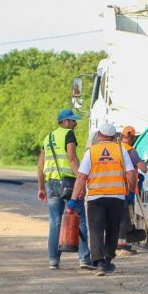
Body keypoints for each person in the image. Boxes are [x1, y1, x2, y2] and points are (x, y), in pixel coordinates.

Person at [70, 122, 137, 276]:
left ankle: (99, 263)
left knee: (95, 230)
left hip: (96, 198)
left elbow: (81, 177)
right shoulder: (121, 151)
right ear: (114, 137)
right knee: (113, 229)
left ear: (99, 136)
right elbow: (132, 174)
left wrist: (74, 199)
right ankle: (108, 259)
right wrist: (131, 193)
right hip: (117, 197)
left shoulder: (91, 152)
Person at [37, 109, 92, 270]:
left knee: (55, 222)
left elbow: (40, 165)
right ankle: (84, 259)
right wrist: (81, 180)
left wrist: (41, 187)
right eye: (73, 121)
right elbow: (72, 158)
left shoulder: (48, 138)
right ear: (66, 121)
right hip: (68, 182)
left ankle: (53, 261)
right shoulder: (68, 134)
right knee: (80, 218)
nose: (75, 124)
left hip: (51, 183)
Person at [117, 126, 148, 253]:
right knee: (124, 218)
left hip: (114, 186)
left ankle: (117, 242)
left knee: (117, 217)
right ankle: (121, 245)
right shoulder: (131, 151)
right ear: (133, 137)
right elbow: (144, 169)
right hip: (127, 187)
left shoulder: (116, 148)